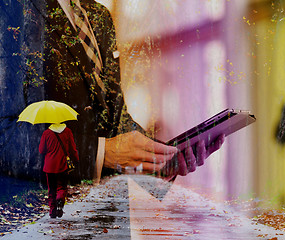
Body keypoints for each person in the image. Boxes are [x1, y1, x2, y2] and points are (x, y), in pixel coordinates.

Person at [45, 0, 224, 183]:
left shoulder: (100, 16)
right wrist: (102, 153)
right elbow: (14, 138)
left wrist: (161, 160)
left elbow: (116, 119)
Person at [39, 123, 79, 218]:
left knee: (51, 189)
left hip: (50, 165)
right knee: (62, 187)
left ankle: (52, 211)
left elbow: (41, 150)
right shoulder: (67, 131)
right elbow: (73, 149)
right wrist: (76, 159)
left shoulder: (46, 133)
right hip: (63, 164)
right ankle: (60, 200)